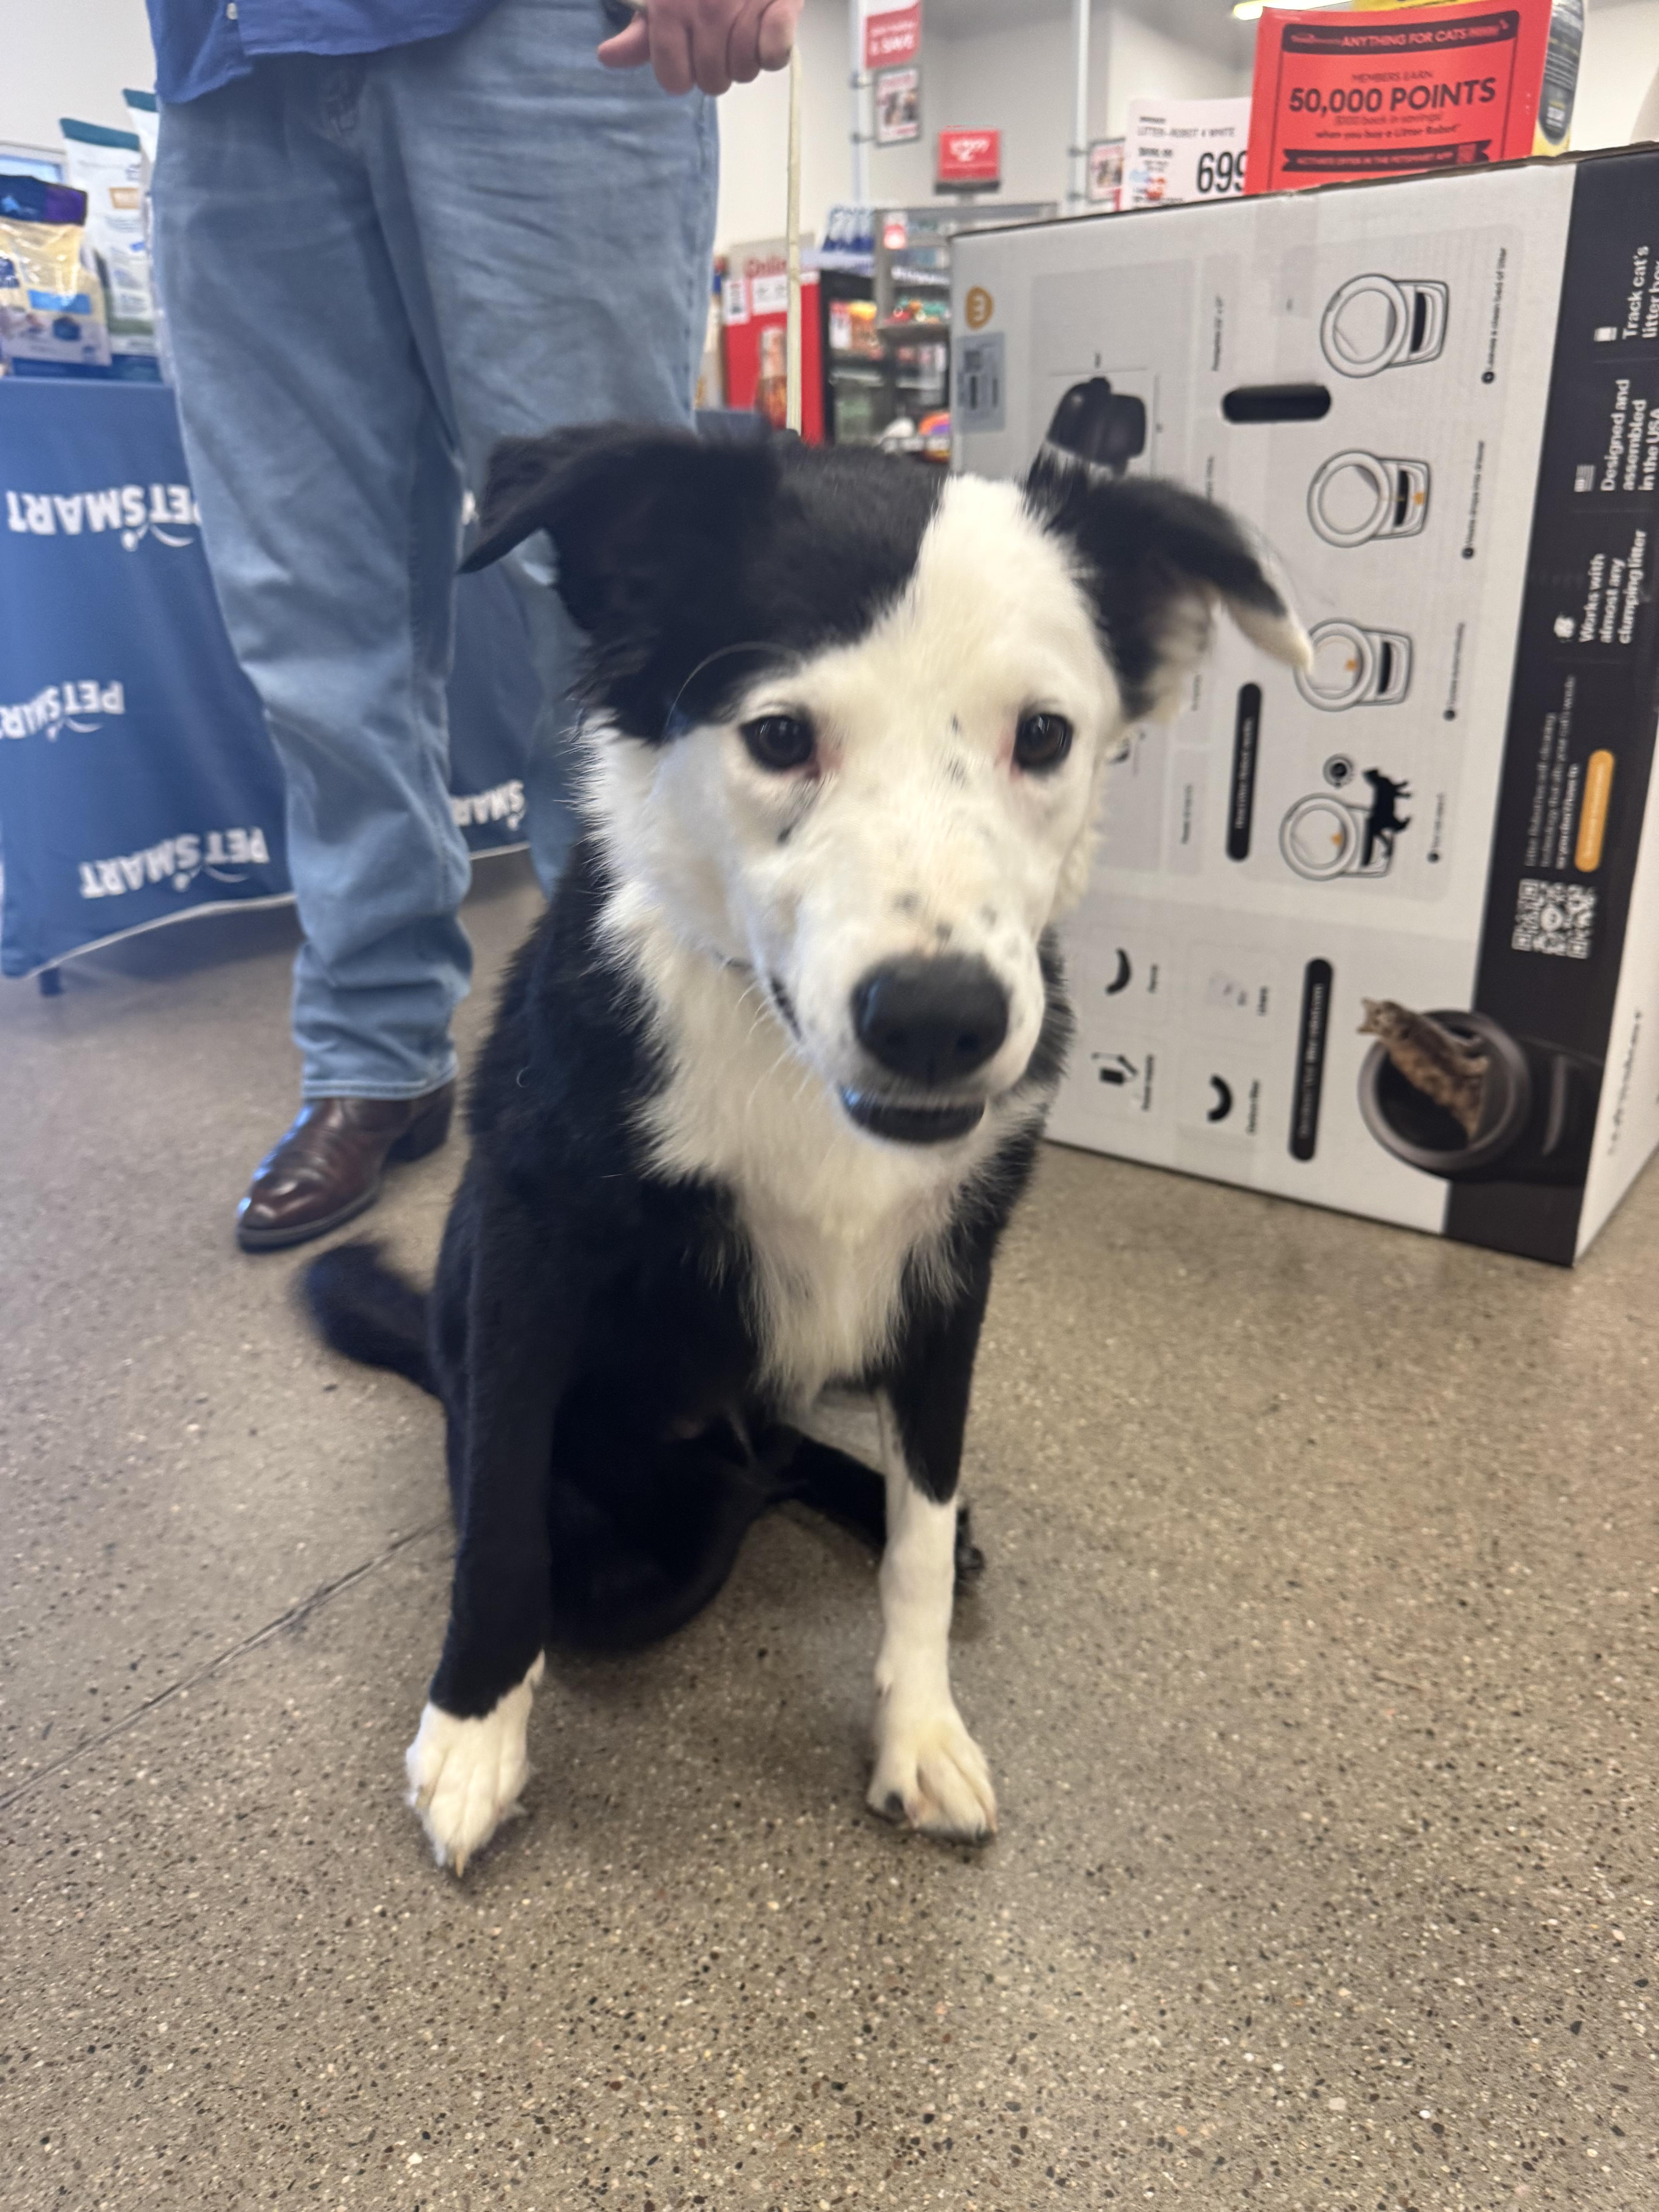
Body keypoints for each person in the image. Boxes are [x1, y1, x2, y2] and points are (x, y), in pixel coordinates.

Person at [145, 0, 800, 1248]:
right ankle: (374, 1057)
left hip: (537, 42)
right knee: (309, 625)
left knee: (607, 598)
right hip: (230, 61)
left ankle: (650, 1050)